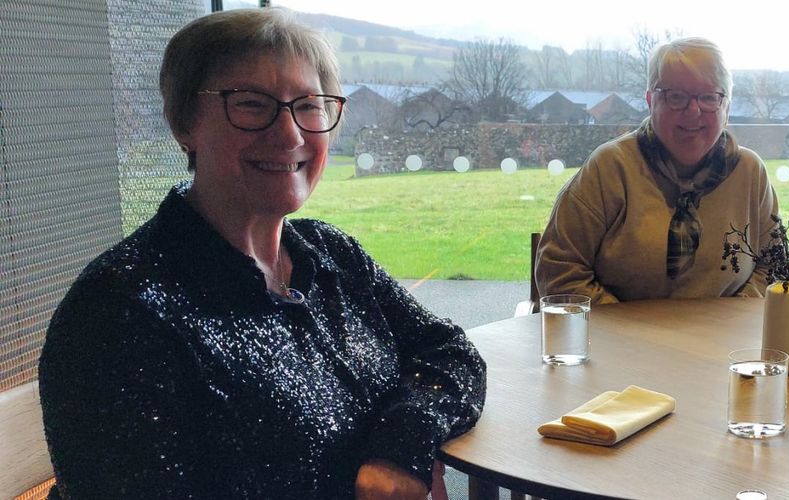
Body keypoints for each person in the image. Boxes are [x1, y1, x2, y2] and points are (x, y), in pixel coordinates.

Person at [37, 9, 485, 498]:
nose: (291, 134)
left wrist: (400, 450)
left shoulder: (332, 255)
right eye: (251, 104)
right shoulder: (119, 314)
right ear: (183, 123)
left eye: (310, 106)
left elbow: (450, 354)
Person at [535, 37, 778, 304]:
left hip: (724, 342)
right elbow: (559, 273)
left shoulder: (750, 173)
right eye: (676, 97)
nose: (693, 110)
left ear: (727, 108)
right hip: (619, 342)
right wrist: (635, 332)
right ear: (650, 101)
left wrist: (724, 322)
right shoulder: (609, 168)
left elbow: (773, 268)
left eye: (709, 97)